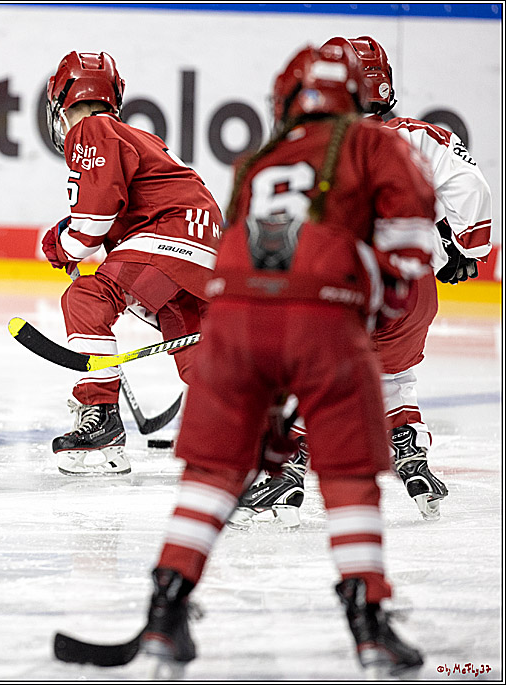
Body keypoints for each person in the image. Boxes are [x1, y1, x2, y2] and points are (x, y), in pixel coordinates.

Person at [100, 43, 436, 677]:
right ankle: (368, 627)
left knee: (213, 473)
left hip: (231, 329)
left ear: (284, 102)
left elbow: (238, 256)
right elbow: (412, 256)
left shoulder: (257, 161)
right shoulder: (378, 143)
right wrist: (366, 322)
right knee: (346, 478)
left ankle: (164, 616)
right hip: (325, 323)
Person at [231, 35, 494, 527]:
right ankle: (410, 454)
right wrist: (463, 248)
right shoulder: (420, 134)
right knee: (393, 372)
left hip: (344, 287)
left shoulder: (312, 145)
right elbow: (471, 190)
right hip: (413, 294)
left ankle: (285, 473)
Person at [40, 51, 223, 476]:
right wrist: (84, 236)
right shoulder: (132, 135)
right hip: (205, 243)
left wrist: (65, 246)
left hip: (170, 235)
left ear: (62, 99)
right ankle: (271, 435)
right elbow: (122, 209)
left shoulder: (89, 129)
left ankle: (100, 413)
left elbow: (91, 225)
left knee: (86, 299)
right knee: (200, 361)